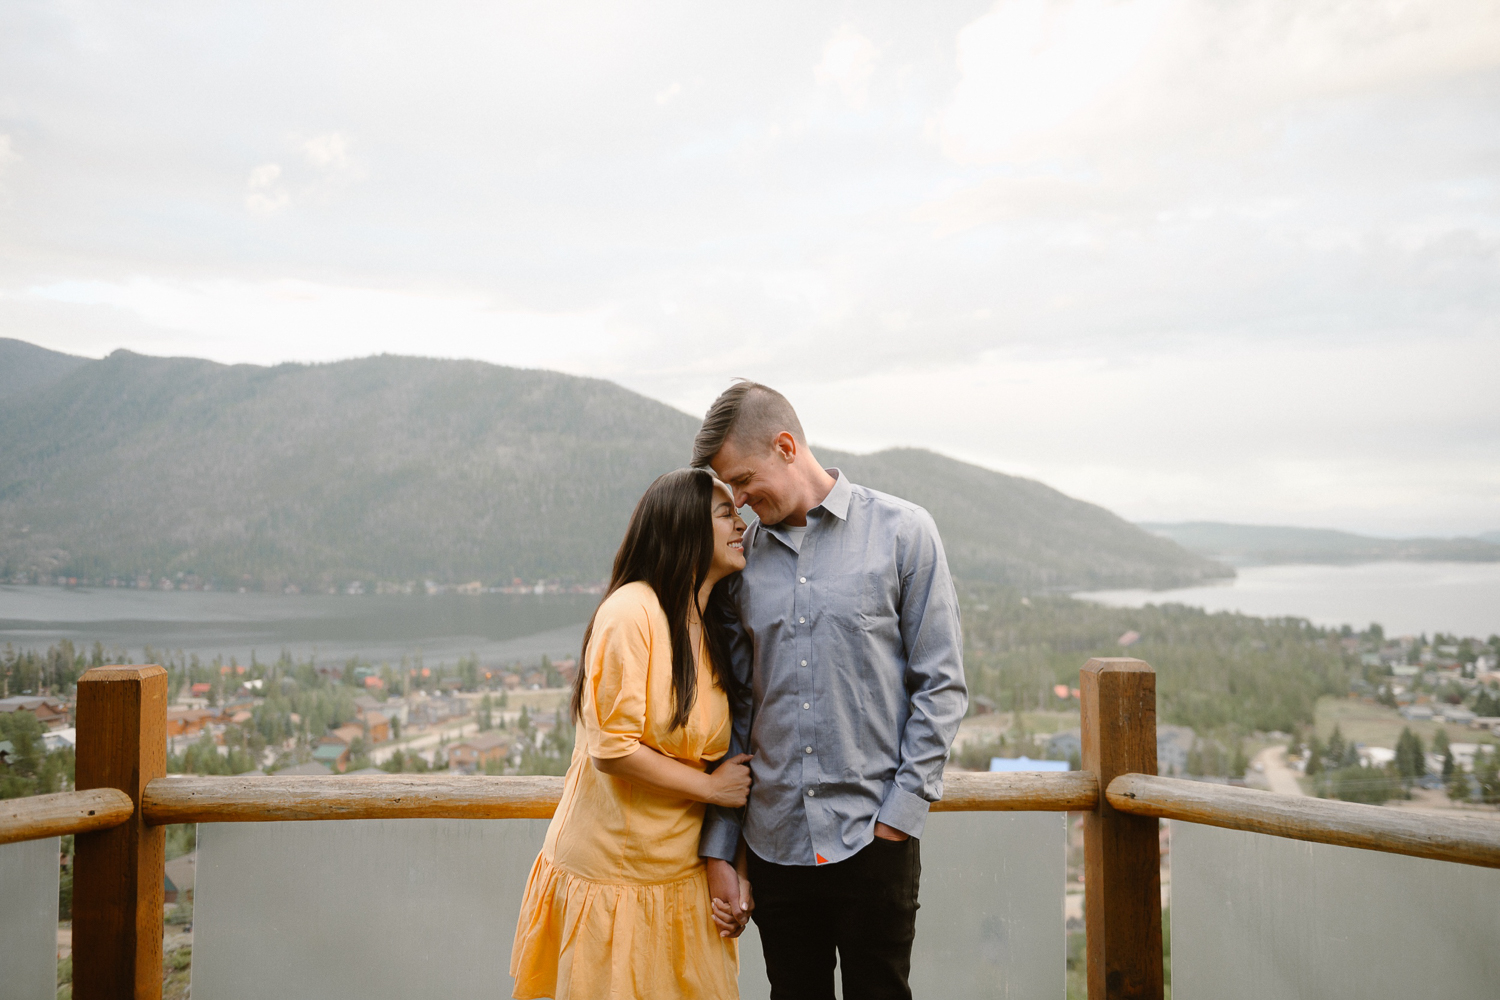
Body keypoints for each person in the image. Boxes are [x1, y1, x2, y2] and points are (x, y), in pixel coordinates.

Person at [694, 381, 967, 1000]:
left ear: (786, 445)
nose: (736, 502)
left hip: (876, 840)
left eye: (741, 480)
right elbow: (739, 710)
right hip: (773, 846)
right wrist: (722, 846)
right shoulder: (739, 563)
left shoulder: (905, 533)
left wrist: (897, 822)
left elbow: (941, 688)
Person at [511, 468, 753, 1000]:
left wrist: (734, 868)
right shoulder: (632, 612)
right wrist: (711, 790)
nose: (742, 523)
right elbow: (612, 749)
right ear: (685, 528)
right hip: (613, 883)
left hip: (682, 880)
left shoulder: (712, 624)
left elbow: (733, 761)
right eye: (725, 514)